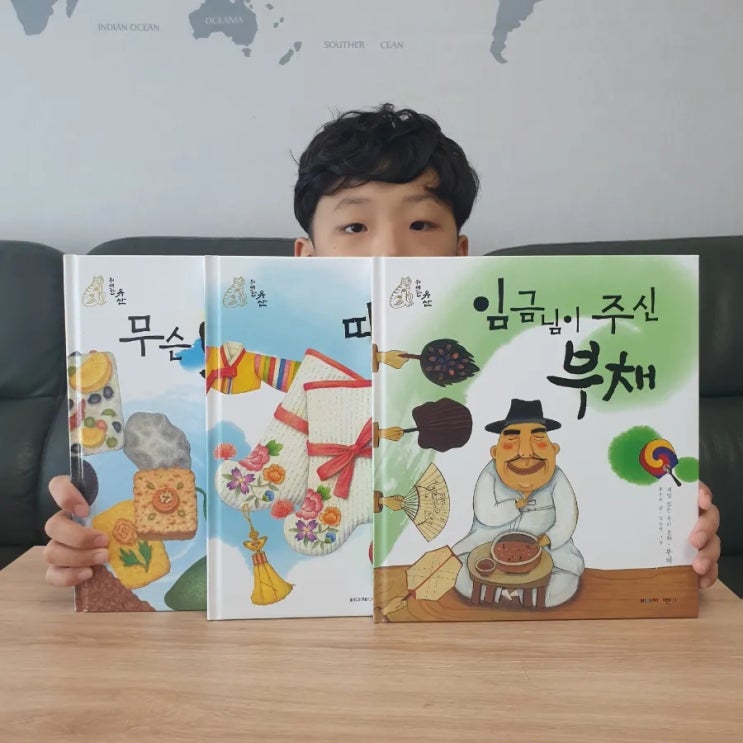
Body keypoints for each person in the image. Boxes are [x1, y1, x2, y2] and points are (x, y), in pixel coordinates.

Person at [43, 103, 721, 590]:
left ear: (460, 253)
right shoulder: (273, 342)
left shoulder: (506, 356)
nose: (390, 251)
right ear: (306, 256)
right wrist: (86, 547)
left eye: (420, 224)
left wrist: (668, 531)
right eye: (354, 226)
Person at [452, 399, 584, 608]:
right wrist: (515, 506)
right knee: (460, 574)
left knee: (563, 584)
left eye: (538, 438)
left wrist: (548, 539)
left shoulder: (557, 478)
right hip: (486, 546)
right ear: (495, 452)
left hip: (547, 551)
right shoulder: (489, 474)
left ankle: (518, 596)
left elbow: (567, 518)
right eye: (512, 439)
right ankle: (506, 595)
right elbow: (485, 513)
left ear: (554, 449)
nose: (525, 452)